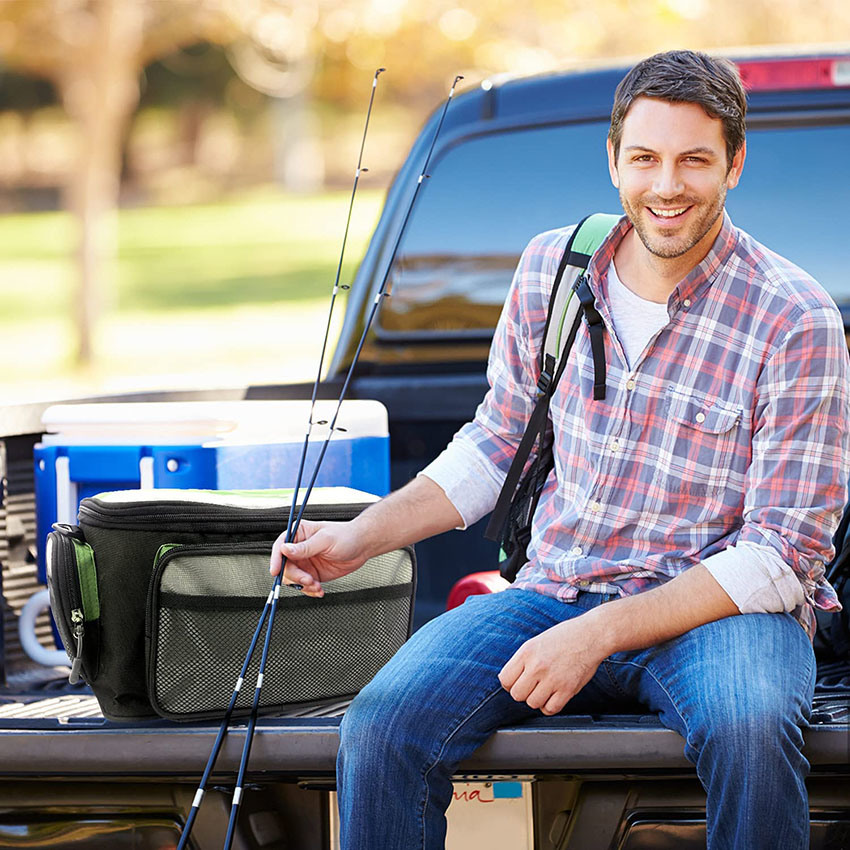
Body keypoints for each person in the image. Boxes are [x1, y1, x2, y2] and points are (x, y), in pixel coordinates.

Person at [270, 50, 850, 850]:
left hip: (719, 616)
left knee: (751, 728)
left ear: (735, 164)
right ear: (613, 159)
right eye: (644, 158)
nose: (666, 185)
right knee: (382, 725)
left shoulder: (794, 316)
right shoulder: (554, 265)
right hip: (555, 590)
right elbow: (497, 444)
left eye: (694, 160)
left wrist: (602, 632)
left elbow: (784, 553)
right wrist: (356, 540)